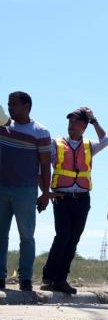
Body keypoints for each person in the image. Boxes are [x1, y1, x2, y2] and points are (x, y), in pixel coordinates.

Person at [41, 107, 108, 295]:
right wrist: (46, 192)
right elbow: (43, 167)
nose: (72, 126)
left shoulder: (88, 146)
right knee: (62, 237)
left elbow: (106, 140)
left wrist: (94, 120)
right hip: (62, 198)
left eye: (76, 123)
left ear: (84, 127)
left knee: (73, 240)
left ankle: (61, 279)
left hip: (82, 199)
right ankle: (48, 277)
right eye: (70, 122)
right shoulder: (56, 144)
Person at [0, 91, 52, 291]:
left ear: (27, 106)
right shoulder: (3, 126)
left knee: (27, 236)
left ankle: (25, 279)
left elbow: (45, 166)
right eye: (9, 104)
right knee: (1, 235)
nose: (11, 107)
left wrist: (45, 193)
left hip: (26, 191)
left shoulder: (40, 131)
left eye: (14, 104)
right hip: (2, 188)